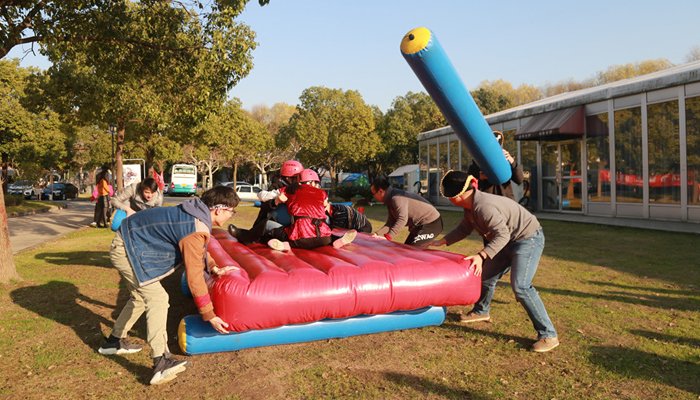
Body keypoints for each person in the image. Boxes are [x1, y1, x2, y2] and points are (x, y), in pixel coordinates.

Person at [98, 186, 241, 385]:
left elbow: (196, 249)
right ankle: (161, 361)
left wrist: (214, 268)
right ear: (219, 209)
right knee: (158, 298)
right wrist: (209, 314)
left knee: (139, 298)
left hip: (128, 243)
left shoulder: (196, 213)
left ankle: (114, 342)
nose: (231, 215)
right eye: (231, 211)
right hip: (127, 249)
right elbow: (194, 275)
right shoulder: (195, 224)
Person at [427, 170, 558, 353]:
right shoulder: (470, 206)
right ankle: (481, 311)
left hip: (528, 239)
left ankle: (548, 334)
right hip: (507, 241)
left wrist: (481, 256)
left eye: (450, 196)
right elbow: (465, 228)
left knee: (521, 286)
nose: (450, 199)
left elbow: (502, 235)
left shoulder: (483, 207)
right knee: (486, 276)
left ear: (458, 195)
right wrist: (444, 241)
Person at [265, 169, 356, 251]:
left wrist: (277, 200)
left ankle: (288, 244)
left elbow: (262, 196)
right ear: (313, 182)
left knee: (268, 224)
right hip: (324, 238)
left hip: (300, 237)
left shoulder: (289, 189)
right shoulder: (322, 193)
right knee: (324, 223)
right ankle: (335, 240)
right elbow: (325, 206)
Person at [228, 160, 303, 245]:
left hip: (298, 227)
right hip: (280, 224)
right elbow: (263, 203)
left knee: (267, 224)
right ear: (288, 178)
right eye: (297, 178)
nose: (299, 181)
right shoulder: (277, 188)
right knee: (266, 223)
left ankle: (249, 236)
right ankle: (254, 236)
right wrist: (276, 201)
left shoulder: (304, 189)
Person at [370, 177, 442, 246]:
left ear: (380, 191)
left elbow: (402, 219)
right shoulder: (390, 199)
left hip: (432, 223)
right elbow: (391, 223)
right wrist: (377, 234)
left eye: (374, 194)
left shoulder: (397, 198)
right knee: (407, 248)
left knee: (413, 251)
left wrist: (388, 237)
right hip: (420, 225)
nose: (374, 197)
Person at [467, 130, 524, 201]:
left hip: (505, 201)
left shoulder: (505, 160)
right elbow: (470, 185)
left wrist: (512, 161)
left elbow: (519, 180)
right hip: (487, 201)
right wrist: (480, 178)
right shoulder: (477, 162)